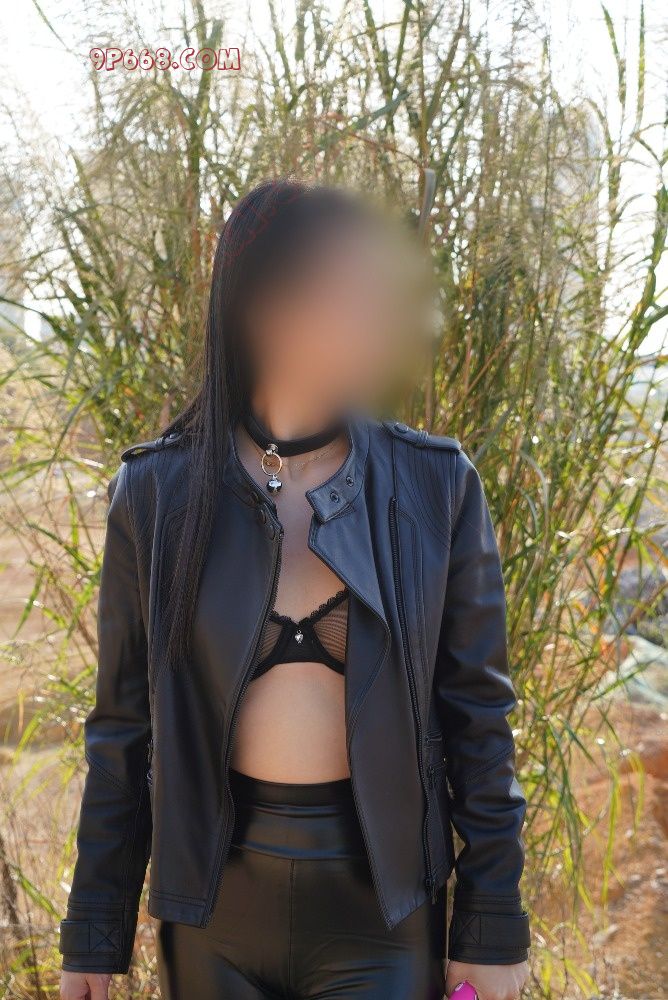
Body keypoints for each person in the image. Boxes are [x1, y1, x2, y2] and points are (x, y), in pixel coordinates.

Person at [59, 180, 530, 1000]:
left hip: (383, 918)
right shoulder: (156, 494)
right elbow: (122, 736)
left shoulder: (436, 486)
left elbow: (480, 724)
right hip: (210, 925)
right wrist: (94, 934)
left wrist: (491, 923)